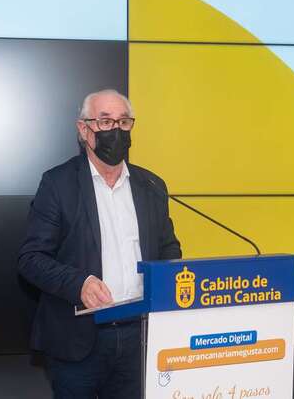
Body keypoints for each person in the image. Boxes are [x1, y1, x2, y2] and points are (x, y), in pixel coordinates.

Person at [18, 88, 181, 398]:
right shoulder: (58, 184)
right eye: (105, 122)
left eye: (124, 122)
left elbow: (168, 247)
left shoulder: (151, 185)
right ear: (84, 130)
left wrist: (167, 279)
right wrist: (79, 283)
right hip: (78, 339)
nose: (115, 131)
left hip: (139, 336)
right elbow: (31, 258)